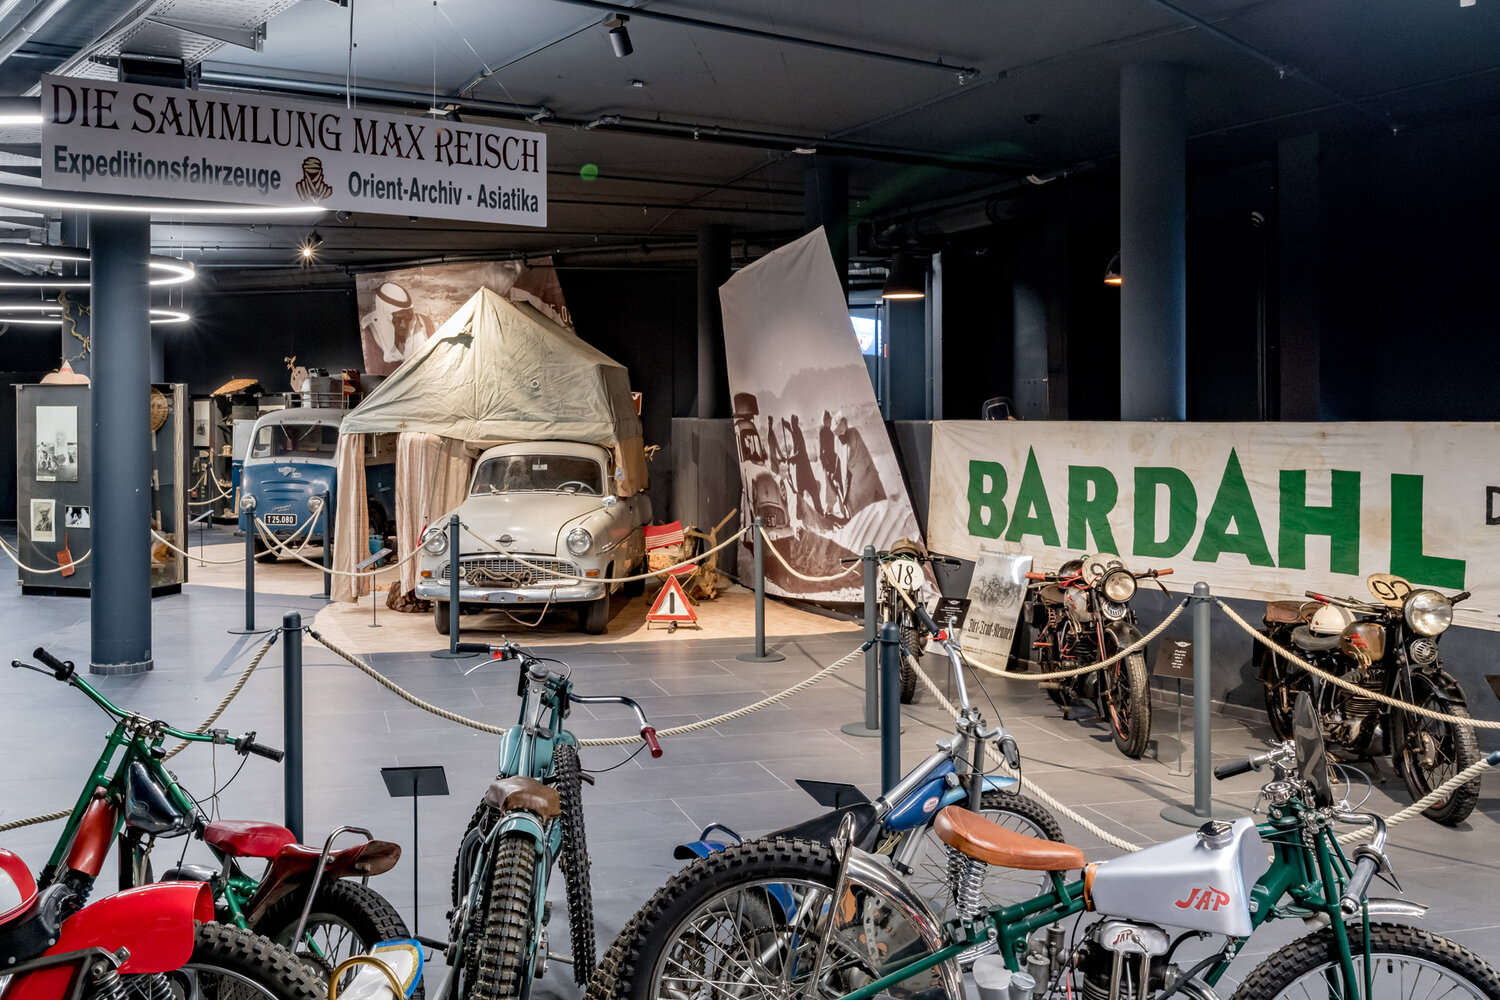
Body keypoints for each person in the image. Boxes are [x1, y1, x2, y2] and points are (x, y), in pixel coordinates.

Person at [837, 414, 885, 512]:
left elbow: (858, 457)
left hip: (866, 473)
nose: (840, 439)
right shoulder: (842, 444)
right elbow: (844, 462)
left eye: (841, 435)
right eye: (838, 436)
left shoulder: (853, 433)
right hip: (855, 477)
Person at [787, 415, 823, 518]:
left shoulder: (797, 432)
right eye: (792, 423)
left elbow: (800, 452)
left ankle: (818, 512)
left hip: (804, 469)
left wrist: (792, 459)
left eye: (793, 422)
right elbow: (794, 434)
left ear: (796, 422)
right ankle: (801, 514)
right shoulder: (796, 431)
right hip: (801, 469)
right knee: (802, 492)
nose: (793, 424)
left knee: (811, 491)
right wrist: (788, 428)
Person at [817, 410, 845, 519]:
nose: (828, 421)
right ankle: (829, 509)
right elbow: (821, 451)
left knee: (839, 484)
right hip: (828, 461)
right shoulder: (822, 431)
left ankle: (843, 509)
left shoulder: (831, 430)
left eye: (829, 419)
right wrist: (826, 466)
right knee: (830, 486)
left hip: (834, 460)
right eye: (826, 419)